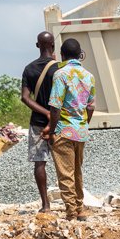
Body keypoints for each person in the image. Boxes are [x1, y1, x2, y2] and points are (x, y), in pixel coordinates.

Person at [41, 38, 95, 220]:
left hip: (64, 130)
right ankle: (80, 208)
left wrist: (52, 130)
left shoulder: (61, 74)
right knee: (77, 171)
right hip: (80, 131)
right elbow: (90, 107)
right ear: (80, 55)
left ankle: (71, 211)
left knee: (66, 173)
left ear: (62, 55)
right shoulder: (89, 76)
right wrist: (84, 125)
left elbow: (55, 107)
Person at [21, 31, 57, 212]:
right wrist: (53, 114)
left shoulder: (29, 69)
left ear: (37, 46)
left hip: (37, 123)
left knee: (40, 162)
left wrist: (45, 113)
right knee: (65, 162)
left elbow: (25, 98)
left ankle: (45, 205)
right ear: (54, 45)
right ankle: (72, 203)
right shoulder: (60, 68)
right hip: (60, 123)